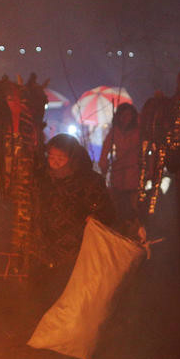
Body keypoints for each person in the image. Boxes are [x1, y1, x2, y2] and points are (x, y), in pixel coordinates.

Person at [32, 134, 119, 315]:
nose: (55, 162)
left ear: (72, 158)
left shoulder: (88, 181)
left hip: (75, 250)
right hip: (45, 247)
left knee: (67, 296)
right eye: (52, 157)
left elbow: (106, 212)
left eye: (61, 158)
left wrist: (94, 217)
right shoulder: (43, 178)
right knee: (42, 295)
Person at [99, 103, 142, 230]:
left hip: (134, 173)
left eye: (129, 115)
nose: (126, 118)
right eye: (123, 115)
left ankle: (135, 228)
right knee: (118, 205)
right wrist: (103, 166)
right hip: (118, 174)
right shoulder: (114, 132)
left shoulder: (139, 131)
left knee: (134, 205)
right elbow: (105, 150)